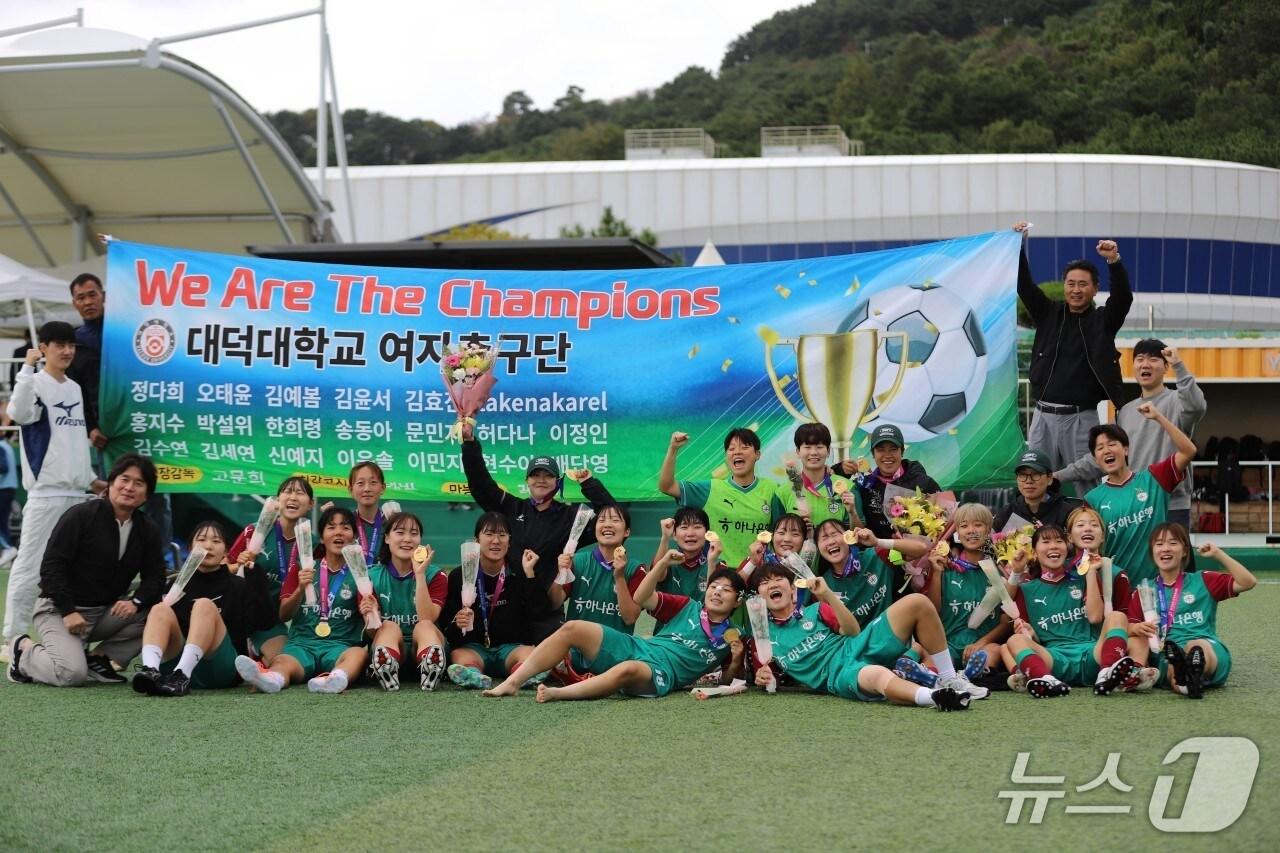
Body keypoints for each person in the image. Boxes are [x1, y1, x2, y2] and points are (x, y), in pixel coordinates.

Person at [7, 454, 164, 687]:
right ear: (111, 482)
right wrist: (68, 611)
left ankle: (99, 658)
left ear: (146, 495)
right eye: (124, 479)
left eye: (138, 483)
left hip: (104, 613)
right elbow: (52, 567)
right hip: (59, 610)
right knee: (71, 675)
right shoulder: (81, 515)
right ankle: (23, 651)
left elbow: (156, 576)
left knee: (159, 614)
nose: (129, 487)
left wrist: (136, 602)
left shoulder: (146, 528)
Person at [481, 567, 747, 702]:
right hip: (637, 646)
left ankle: (558, 693)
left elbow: (726, 680)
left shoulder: (734, 634)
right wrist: (664, 561)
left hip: (663, 673)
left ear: (737, 601)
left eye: (726, 590)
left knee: (629, 669)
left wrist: (735, 660)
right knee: (573, 627)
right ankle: (513, 682)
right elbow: (641, 597)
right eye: (714, 586)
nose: (717, 592)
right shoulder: (688, 606)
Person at [746, 563, 983, 709]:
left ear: (791, 587)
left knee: (917, 602)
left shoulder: (815, 610)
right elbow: (766, 676)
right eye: (765, 583)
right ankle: (937, 697)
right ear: (758, 595)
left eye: (779, 579)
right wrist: (763, 676)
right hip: (838, 674)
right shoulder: (764, 637)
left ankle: (949, 677)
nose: (773, 584)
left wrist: (828, 595)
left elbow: (852, 631)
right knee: (878, 675)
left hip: (857, 644)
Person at [2, 322, 102, 660]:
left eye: (71, 344)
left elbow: (74, 442)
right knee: (30, 567)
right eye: (59, 344)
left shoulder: (73, 388)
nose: (67, 350)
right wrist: (27, 368)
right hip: (46, 495)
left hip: (78, 495)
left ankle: (68, 638)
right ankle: (11, 638)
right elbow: (17, 412)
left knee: (73, 569)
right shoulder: (35, 382)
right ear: (43, 347)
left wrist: (91, 479)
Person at [462, 423, 615, 642]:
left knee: (554, 652)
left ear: (557, 481)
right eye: (535, 475)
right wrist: (469, 444)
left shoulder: (571, 517)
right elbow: (480, 484)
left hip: (547, 607)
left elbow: (612, 518)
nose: (541, 480)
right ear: (527, 481)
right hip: (508, 604)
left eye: (548, 475)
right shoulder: (512, 507)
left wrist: (588, 483)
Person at [1015, 222, 1133, 483]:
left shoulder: (1103, 320)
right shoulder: (1048, 313)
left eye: (1083, 284)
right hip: (1043, 416)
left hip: (1082, 418)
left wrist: (1114, 261)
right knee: (1035, 481)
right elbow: (1024, 286)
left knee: (1085, 485)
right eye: (1070, 283)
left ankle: (1090, 526)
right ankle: (1034, 526)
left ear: (1095, 288)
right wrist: (1018, 245)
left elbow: (1123, 299)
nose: (1076, 290)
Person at [1055, 341, 1206, 529]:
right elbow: (1101, 457)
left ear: (1166, 367)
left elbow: (1197, 405)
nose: (1145, 364)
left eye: (1153, 359)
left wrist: (1179, 365)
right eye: (1140, 359)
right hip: (1134, 505)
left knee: (1171, 558)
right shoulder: (1125, 411)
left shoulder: (1177, 401)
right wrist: (1058, 476)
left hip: (1171, 505)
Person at [233, 506, 370, 694]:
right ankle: (272, 679)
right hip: (302, 645)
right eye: (331, 527)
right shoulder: (300, 569)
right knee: (282, 661)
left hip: (340, 646)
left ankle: (337, 678)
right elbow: (284, 614)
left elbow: (369, 624)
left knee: (358, 654)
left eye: (345, 528)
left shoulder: (361, 573)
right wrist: (299, 589)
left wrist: (369, 609)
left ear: (354, 536)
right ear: (321, 537)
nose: (338, 532)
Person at [131, 521, 276, 696]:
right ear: (190, 548)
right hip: (173, 665)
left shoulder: (238, 584)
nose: (208, 546)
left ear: (226, 552)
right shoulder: (176, 584)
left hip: (220, 669)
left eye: (216, 541)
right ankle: (150, 670)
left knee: (204, 605)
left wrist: (255, 577)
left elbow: (264, 622)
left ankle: (182, 676)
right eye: (201, 540)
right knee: (159, 609)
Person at [1000, 525, 1139, 698]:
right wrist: (1016, 572)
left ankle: (1107, 674)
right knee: (1014, 640)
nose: (1053, 546)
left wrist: (1091, 572)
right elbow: (1005, 603)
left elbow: (1096, 617)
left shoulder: (1081, 579)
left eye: (1059, 541)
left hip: (1092, 655)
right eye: (1046, 542)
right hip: (1054, 658)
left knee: (1118, 617)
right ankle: (1046, 680)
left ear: (1067, 549)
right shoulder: (1025, 589)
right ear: (1034, 553)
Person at [1125, 525, 1256, 698]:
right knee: (1174, 666)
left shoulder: (1203, 580)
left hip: (1207, 648)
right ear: (1152, 552)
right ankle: (1187, 684)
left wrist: (1218, 554)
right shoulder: (1144, 590)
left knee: (1196, 647)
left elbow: (1248, 582)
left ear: (1185, 550)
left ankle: (1192, 670)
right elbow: (1129, 628)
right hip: (1167, 653)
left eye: (1173, 543)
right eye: (1159, 544)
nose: (1165, 548)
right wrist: (1136, 628)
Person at [1085, 404, 1195, 587]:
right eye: (1100, 448)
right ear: (1096, 459)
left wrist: (1159, 417)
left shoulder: (1154, 478)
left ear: (1126, 449)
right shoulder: (1092, 499)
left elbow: (1188, 451)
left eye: (1112, 444)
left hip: (1158, 586)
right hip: (1118, 588)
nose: (1107, 450)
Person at [440, 512, 539, 690]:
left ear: (510, 541)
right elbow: (448, 631)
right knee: (459, 655)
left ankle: (523, 674)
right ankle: (475, 676)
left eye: (502, 535)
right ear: (476, 541)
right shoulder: (459, 576)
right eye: (489, 534)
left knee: (530, 653)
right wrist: (458, 623)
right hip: (474, 649)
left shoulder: (521, 571)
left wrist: (530, 576)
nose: (496, 541)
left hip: (511, 649)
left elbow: (538, 613)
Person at [658, 427, 784, 566]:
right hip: (719, 576)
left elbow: (780, 533)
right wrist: (673, 448)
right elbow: (667, 486)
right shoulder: (711, 489)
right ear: (726, 456)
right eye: (731, 449)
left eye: (744, 447)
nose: (737, 452)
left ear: (757, 454)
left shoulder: (772, 489)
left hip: (759, 575)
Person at [554, 504, 647, 682]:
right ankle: (574, 675)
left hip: (614, 653)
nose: (607, 524)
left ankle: (577, 678)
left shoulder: (636, 569)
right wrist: (561, 573)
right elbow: (555, 601)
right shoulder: (578, 561)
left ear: (626, 531)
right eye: (602, 520)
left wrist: (619, 577)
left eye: (615, 520)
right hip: (576, 651)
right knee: (544, 653)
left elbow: (629, 618)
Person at [228, 476, 315, 665]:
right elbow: (223, 568)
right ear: (277, 499)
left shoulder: (312, 543)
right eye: (287, 492)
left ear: (310, 504)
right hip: (242, 611)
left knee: (282, 659)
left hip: (273, 622)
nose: (292, 497)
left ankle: (255, 653)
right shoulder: (254, 531)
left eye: (299, 493)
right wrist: (239, 564)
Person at [366, 511, 448, 691]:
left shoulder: (436, 575)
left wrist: (419, 575)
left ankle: (431, 666)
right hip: (392, 647)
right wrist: (369, 613)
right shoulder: (371, 577)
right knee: (387, 626)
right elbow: (372, 633)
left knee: (424, 626)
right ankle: (387, 667)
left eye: (414, 533)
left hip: (425, 642)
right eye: (400, 532)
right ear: (387, 538)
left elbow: (427, 617)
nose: (407, 539)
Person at [924, 503, 1009, 679]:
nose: (971, 530)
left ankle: (975, 673)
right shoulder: (945, 568)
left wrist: (981, 643)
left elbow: (1006, 621)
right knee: (923, 652)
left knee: (994, 650)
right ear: (957, 533)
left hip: (983, 646)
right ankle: (927, 675)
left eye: (978, 524)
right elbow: (933, 612)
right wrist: (936, 574)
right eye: (964, 526)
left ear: (988, 530)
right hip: (948, 646)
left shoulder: (1002, 571)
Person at [812, 518, 925, 627]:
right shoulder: (822, 587)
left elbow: (920, 549)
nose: (831, 541)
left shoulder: (876, 556)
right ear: (818, 548)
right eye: (824, 538)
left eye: (835, 534)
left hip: (892, 634)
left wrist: (877, 541)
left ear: (849, 537)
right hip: (860, 644)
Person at [843, 424, 941, 541]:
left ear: (902, 451)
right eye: (881, 450)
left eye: (893, 449)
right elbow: (860, 535)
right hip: (879, 555)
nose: (888, 455)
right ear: (873, 454)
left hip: (921, 554)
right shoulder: (866, 487)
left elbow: (944, 520)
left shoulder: (924, 482)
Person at [781, 422, 862, 533]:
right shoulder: (783, 492)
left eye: (819, 447)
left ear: (828, 451)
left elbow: (860, 537)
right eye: (807, 447)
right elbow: (777, 536)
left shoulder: (848, 487)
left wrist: (853, 512)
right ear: (798, 452)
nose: (814, 452)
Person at [646, 508, 727, 605]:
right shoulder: (667, 561)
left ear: (707, 534)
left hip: (702, 620)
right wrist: (665, 538)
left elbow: (715, 602)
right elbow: (656, 577)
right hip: (670, 620)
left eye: (697, 527)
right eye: (684, 527)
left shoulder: (717, 564)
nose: (690, 533)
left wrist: (711, 563)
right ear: (674, 534)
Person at [993, 448, 1083, 532]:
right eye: (1023, 475)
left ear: (1049, 478)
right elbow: (990, 546)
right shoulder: (1006, 513)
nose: (1028, 481)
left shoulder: (1066, 513)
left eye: (1036, 474)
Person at [347, 460, 390, 566]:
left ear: (383, 488)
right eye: (360, 483)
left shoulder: (392, 524)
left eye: (373, 483)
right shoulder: (345, 525)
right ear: (351, 489)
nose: (367, 489)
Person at [0, 435, 18, 566]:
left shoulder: (1, 447)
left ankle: (7, 548)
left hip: (3, 489)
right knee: (3, 522)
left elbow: (3, 467)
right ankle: (7, 556)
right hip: (8, 488)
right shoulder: (7, 446)